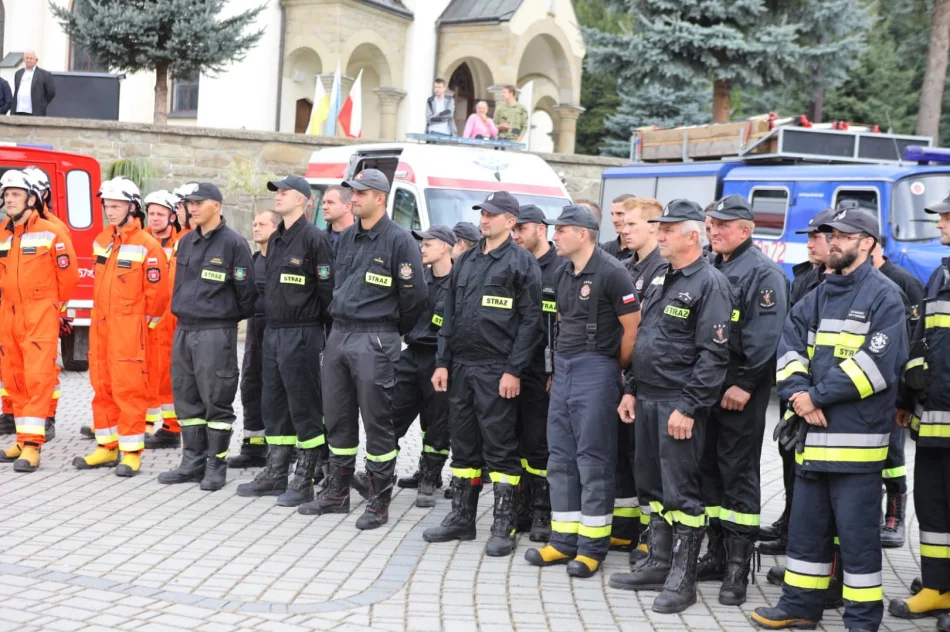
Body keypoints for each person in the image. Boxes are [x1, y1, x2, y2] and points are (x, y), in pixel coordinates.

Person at [752, 208, 907, 632]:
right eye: (831, 234)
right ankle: (800, 605)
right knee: (806, 534)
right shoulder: (816, 295)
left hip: (856, 446)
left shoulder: (884, 296)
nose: (833, 240)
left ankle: (861, 620)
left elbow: (875, 366)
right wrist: (799, 394)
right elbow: (788, 352)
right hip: (812, 443)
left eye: (844, 235)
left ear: (868, 243)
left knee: (857, 544)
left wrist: (812, 396)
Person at [608, 200, 732, 616]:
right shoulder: (663, 277)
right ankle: (658, 562)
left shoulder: (710, 284)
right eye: (659, 229)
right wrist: (630, 388)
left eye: (667, 230)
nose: (659, 236)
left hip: (679, 404)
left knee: (682, 492)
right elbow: (646, 339)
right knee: (652, 487)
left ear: (691, 237)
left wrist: (690, 407)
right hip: (647, 398)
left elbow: (713, 356)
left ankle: (683, 577)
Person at [298, 169, 424, 529]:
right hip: (340, 333)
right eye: (352, 193)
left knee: (378, 422)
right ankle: (337, 493)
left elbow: (414, 297)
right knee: (336, 416)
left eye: (361, 194)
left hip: (376, 336)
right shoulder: (348, 236)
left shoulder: (400, 241)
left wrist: (389, 332)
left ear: (380, 198)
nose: (353, 199)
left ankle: (378, 500)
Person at [424, 191, 542, 556]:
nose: (484, 220)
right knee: (463, 445)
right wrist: (442, 362)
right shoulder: (467, 260)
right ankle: (462, 518)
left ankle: (503, 524)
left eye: (492, 215)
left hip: (497, 369)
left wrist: (513, 370)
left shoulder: (521, 264)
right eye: (482, 213)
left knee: (500, 447)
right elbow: (450, 315)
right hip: (461, 367)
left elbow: (531, 323)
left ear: (510, 221)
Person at [524, 205, 640, 578]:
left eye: (562, 230)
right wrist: (558, 369)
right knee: (560, 459)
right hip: (565, 368)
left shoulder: (612, 272)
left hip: (597, 369)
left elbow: (632, 332)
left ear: (584, 234)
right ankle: (563, 540)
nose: (555, 236)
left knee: (593, 461)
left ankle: (592, 548)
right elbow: (561, 321)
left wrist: (612, 369)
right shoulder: (562, 271)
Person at [696, 195, 788, 606]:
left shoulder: (762, 272)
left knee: (739, 475)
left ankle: (738, 568)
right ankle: (716, 554)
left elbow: (766, 338)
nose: (713, 231)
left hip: (738, 391)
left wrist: (747, 384)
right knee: (708, 471)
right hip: (708, 388)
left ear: (746, 230)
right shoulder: (712, 265)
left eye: (722, 225)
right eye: (710, 224)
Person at [762, 208, 843, 608]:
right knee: (792, 466)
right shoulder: (807, 277)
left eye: (818, 236)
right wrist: (796, 393)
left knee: (835, 495)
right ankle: (793, 534)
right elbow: (791, 341)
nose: (810, 242)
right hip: (798, 397)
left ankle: (832, 575)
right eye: (808, 236)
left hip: (829, 406)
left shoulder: (863, 288)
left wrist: (815, 395)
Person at [236, 176, 334, 506]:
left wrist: (322, 336)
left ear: (304, 200)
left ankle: (304, 477)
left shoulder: (315, 239)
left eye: (284, 192)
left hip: (302, 332)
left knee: (304, 405)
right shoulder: (276, 239)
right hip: (273, 332)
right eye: (277, 192)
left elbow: (327, 293)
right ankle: (276, 471)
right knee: (273, 403)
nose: (278, 196)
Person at [157, 183, 258, 491]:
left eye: (198, 202)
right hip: (184, 328)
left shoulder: (234, 244)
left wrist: (222, 316)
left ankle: (216, 465)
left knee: (216, 400)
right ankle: (192, 462)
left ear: (216, 205)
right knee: (186, 398)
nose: (192, 208)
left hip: (216, 331)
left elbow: (247, 295)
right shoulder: (186, 242)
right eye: (189, 203)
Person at [73, 177, 169, 477]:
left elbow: (159, 295)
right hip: (102, 326)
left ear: (132, 208)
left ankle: (130, 452)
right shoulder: (102, 240)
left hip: (129, 329)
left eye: (116, 206)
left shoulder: (147, 245)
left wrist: (142, 326)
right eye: (107, 206)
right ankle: (107, 445)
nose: (110, 211)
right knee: (102, 387)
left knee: (129, 389)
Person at [889, 195, 950, 625]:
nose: (941, 224)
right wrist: (907, 399)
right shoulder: (941, 275)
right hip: (933, 421)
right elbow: (923, 339)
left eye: (947, 218)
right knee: (933, 509)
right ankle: (937, 586)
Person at [0, 170, 78, 472]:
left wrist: (50, 307)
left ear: (31, 199)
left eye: (16, 194)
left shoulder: (51, 232)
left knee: (37, 378)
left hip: (39, 313)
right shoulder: (4, 233)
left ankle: (33, 445)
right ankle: (22, 439)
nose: (9, 199)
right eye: (7, 195)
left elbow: (68, 277)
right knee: (15, 378)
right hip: (10, 314)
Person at [613, 197, 667, 559]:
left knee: (649, 461)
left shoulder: (662, 270)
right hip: (624, 376)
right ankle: (625, 527)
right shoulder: (628, 267)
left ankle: (653, 534)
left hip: (645, 379)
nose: (623, 229)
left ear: (654, 227)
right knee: (625, 456)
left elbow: (647, 330)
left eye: (632, 224)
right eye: (623, 223)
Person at [512, 204, 567, 542]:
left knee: (539, 444)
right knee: (515, 441)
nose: (516, 235)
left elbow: (566, 324)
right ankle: (519, 508)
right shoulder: (514, 265)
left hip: (544, 372)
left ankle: (543, 512)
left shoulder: (560, 268)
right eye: (513, 229)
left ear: (541, 229)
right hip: (514, 368)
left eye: (522, 229)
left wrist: (555, 367)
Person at [390, 225, 456, 507]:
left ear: (444, 247)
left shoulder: (459, 281)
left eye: (428, 244)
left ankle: (429, 478)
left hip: (440, 359)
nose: (422, 249)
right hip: (412, 353)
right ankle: (378, 474)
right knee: (391, 413)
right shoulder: (418, 279)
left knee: (438, 423)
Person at [870, 238, 924, 549]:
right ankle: (872, 516)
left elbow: (913, 342)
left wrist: (905, 397)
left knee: (892, 456)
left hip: (894, 385)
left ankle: (895, 518)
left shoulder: (903, 282)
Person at [227, 210, 279, 469]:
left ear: (276, 228)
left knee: (276, 388)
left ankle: (282, 449)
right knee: (250, 385)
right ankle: (254, 447)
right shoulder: (253, 259)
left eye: (262, 224)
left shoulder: (282, 261)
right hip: (254, 330)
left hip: (278, 330)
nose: (255, 228)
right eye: (254, 223)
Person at [142, 190, 185, 450]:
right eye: (151, 213)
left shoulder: (182, 242)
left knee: (169, 378)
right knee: (144, 374)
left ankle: (171, 428)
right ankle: (142, 425)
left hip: (172, 321)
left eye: (160, 214)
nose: (155, 218)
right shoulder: (141, 241)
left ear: (171, 216)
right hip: (146, 320)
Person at [13, 51, 55, 116]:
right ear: (24, 59)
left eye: (31, 58)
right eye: (27, 58)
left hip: (34, 112)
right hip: (18, 110)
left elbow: (51, 92)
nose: (29, 60)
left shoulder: (44, 75)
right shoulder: (18, 73)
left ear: (36, 60)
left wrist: (42, 104)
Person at [601, 194, 635, 260]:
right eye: (612, 214)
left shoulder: (641, 251)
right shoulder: (605, 249)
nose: (614, 220)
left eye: (619, 214)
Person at [323, 184, 354, 257]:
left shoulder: (361, 239)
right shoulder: (319, 238)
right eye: (324, 202)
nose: (324, 207)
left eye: (330, 202)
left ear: (347, 206)